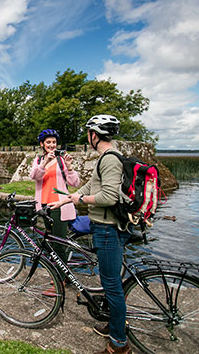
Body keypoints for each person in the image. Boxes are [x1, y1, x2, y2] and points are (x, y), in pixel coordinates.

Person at [50, 115, 132, 354]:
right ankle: (114, 324)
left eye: (88, 133)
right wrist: (65, 199)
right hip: (101, 225)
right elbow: (91, 186)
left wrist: (81, 199)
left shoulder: (109, 160)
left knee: (111, 284)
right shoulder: (105, 158)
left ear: (94, 135)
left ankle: (118, 344)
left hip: (107, 228)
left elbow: (108, 197)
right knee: (110, 282)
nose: (88, 137)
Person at [29, 129, 80, 260]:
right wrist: (45, 162)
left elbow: (75, 183)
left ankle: (62, 278)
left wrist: (69, 167)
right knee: (50, 241)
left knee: (59, 244)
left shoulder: (61, 159)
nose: (51, 145)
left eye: (54, 142)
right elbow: (34, 176)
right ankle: (56, 272)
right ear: (42, 144)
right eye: (48, 142)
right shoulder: (39, 160)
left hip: (59, 205)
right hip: (44, 205)